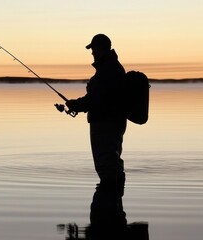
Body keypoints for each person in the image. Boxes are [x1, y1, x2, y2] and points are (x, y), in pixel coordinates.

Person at [56, 34, 127, 239]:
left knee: (107, 166)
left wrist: (75, 105)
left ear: (102, 48)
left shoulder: (108, 71)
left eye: (94, 49)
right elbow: (96, 99)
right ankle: (114, 207)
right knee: (113, 163)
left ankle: (110, 209)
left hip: (105, 124)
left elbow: (96, 100)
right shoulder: (110, 68)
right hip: (109, 122)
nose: (92, 53)